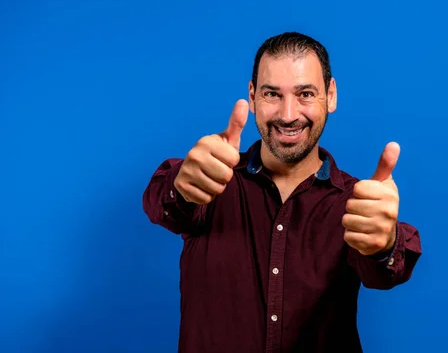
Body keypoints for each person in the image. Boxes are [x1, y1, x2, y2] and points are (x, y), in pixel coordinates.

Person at [142, 31, 422, 352]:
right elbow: (160, 202)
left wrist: (385, 244)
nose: (288, 115)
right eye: (272, 94)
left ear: (331, 96)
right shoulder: (212, 182)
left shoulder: (356, 203)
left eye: (305, 93)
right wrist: (183, 186)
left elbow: (385, 273)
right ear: (252, 96)